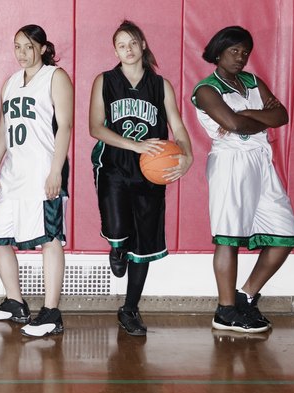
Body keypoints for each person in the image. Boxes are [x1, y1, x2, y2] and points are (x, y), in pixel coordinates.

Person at [191, 26, 294, 333]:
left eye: (245, 52)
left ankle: (245, 296)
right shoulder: (206, 89)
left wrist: (248, 113)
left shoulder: (252, 81)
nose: (240, 57)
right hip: (230, 163)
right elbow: (233, 124)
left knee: (285, 234)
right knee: (229, 236)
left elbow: (282, 117)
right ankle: (225, 311)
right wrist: (253, 118)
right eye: (234, 51)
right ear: (218, 52)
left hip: (261, 161)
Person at [88, 20, 193, 336]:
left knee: (143, 245)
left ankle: (130, 309)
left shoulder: (161, 86)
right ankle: (116, 248)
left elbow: (177, 125)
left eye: (133, 42)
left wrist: (187, 156)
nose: (128, 49)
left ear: (143, 45)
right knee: (119, 231)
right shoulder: (104, 81)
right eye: (121, 44)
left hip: (151, 174)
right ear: (115, 50)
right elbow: (96, 127)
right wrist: (135, 145)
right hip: (115, 167)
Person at [0, 24, 73, 337]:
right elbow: (2, 130)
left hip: (42, 172)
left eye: (28, 46)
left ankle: (51, 312)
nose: (22, 53)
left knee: (49, 240)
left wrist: (56, 171)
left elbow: (65, 127)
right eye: (17, 46)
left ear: (43, 48)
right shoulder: (9, 83)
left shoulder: (55, 76)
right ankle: (15, 302)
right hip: (13, 174)